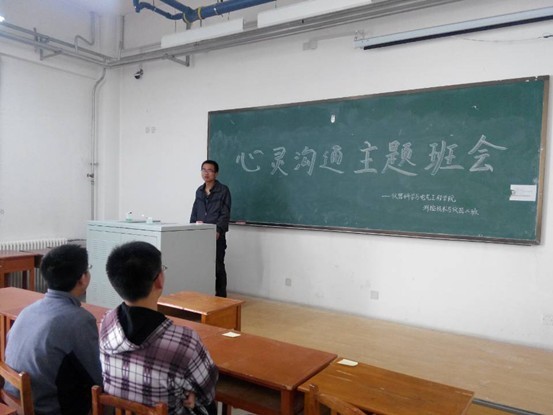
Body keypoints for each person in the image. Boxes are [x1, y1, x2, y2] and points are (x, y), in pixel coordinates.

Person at [99, 241, 218, 415]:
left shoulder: (106, 323)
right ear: (159, 281)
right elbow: (208, 392)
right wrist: (190, 393)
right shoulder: (185, 342)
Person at [4, 244, 102, 415]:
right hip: (47, 410)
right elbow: (98, 377)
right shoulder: (80, 320)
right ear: (83, 278)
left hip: (13, 402)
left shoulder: (28, 310)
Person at [190, 159, 232, 297]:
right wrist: (191, 229)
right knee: (201, 266)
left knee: (218, 266)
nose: (206, 173)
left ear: (216, 173)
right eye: (204, 170)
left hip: (216, 235)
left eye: (210, 170)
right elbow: (195, 212)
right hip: (200, 234)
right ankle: (205, 295)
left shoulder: (223, 190)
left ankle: (221, 297)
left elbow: (225, 213)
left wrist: (218, 230)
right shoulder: (199, 191)